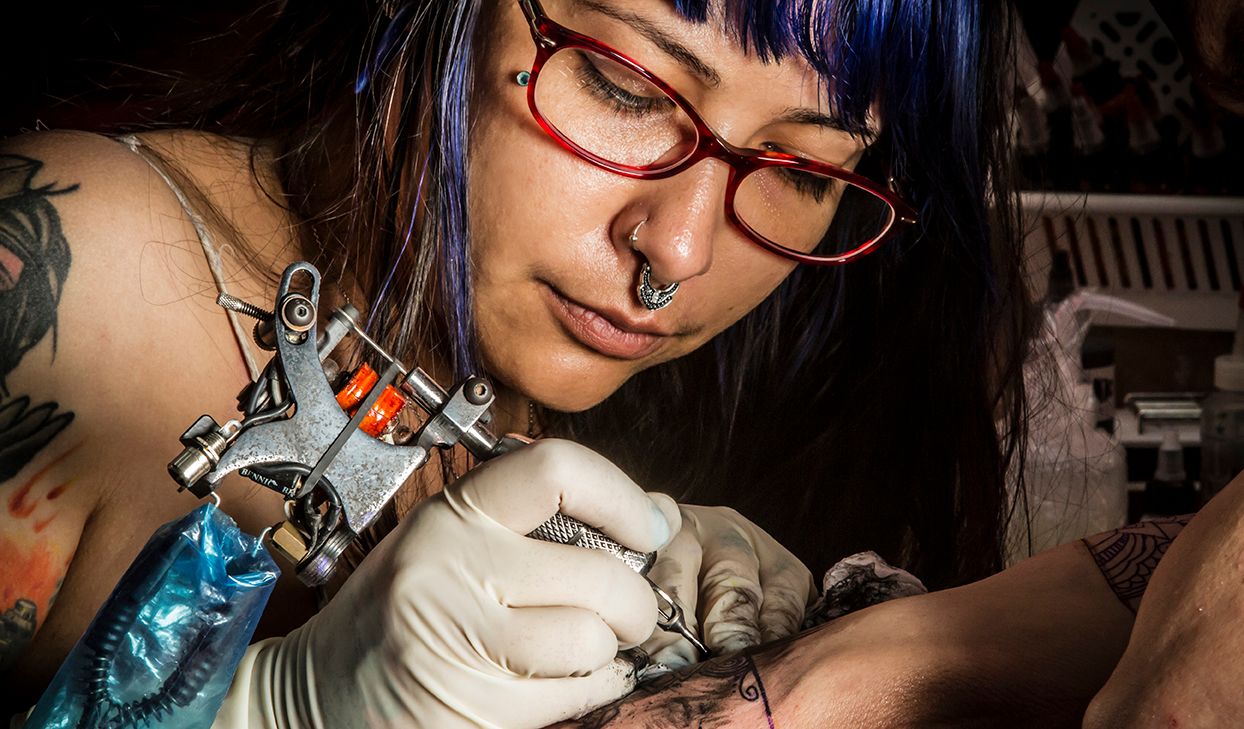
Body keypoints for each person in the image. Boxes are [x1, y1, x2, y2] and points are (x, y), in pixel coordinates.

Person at [0, 0, 1037, 725]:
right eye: (624, 88)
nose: (677, 252)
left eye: (800, 171)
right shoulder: (61, 278)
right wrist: (274, 714)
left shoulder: (581, 402)